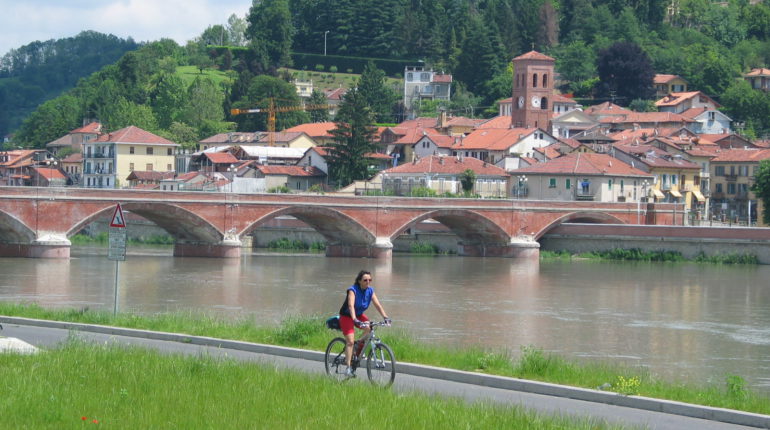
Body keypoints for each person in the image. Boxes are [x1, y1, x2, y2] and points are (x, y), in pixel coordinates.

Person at [338, 270, 390, 377]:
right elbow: (351, 306)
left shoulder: (370, 291)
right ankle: (348, 368)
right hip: (347, 316)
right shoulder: (353, 290)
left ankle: (358, 348)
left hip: (359, 314)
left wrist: (385, 317)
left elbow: (378, 305)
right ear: (359, 281)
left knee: (369, 328)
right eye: (365, 280)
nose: (368, 282)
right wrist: (354, 319)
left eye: (370, 280)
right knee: (350, 342)